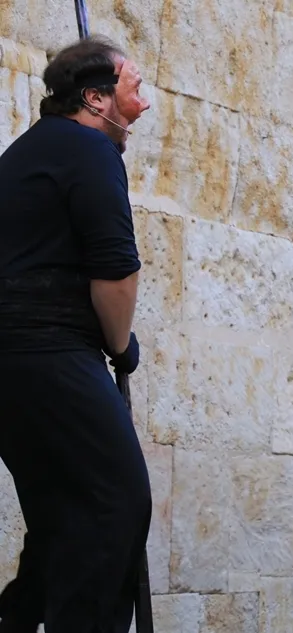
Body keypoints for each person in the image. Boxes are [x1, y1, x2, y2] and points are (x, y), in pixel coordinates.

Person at [0, 36, 152, 633]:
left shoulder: (24, 153)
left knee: (61, 513)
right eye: (134, 89)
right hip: (49, 353)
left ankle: (20, 617)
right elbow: (115, 273)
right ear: (95, 98)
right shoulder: (90, 151)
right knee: (116, 503)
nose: (143, 104)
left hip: (17, 363)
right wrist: (119, 344)